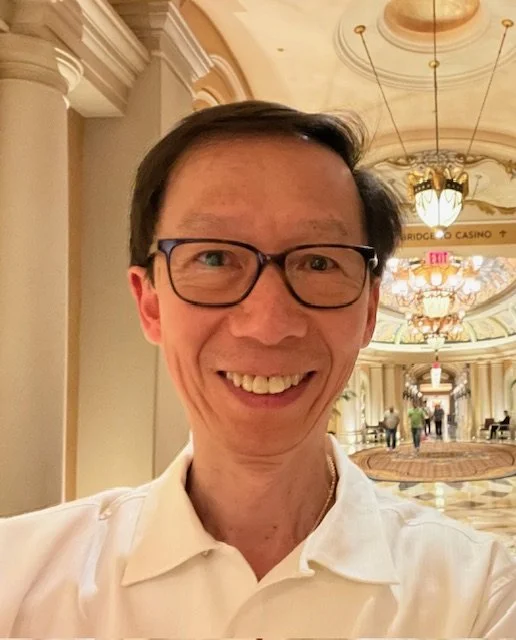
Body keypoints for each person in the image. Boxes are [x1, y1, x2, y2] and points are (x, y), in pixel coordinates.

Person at [1, 102, 515, 638]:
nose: (268, 325)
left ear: (368, 311)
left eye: (319, 262)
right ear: (150, 303)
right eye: (215, 258)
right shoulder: (18, 578)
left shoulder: (479, 595)